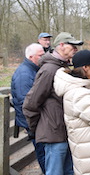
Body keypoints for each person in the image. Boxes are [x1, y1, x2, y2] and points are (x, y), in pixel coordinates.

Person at [23, 32, 83, 175]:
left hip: (64, 132)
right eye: (73, 46)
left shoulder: (62, 67)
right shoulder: (50, 70)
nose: (76, 49)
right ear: (61, 45)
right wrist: (36, 127)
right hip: (54, 134)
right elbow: (31, 103)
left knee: (69, 171)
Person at [11, 43, 46, 174]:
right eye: (41, 55)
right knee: (42, 152)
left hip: (37, 121)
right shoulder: (24, 74)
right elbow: (25, 102)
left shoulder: (33, 69)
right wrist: (33, 125)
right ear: (31, 56)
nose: (44, 57)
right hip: (33, 122)